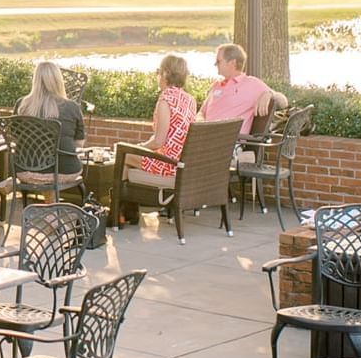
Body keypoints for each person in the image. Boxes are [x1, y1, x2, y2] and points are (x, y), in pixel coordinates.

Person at [112, 55, 199, 225]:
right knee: (128, 154)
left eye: (158, 71)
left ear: (166, 73)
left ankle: (120, 213)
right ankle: (128, 211)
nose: (158, 75)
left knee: (121, 154)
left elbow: (159, 141)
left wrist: (137, 147)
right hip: (181, 162)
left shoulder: (166, 100)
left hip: (168, 163)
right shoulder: (190, 100)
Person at [12, 60, 87, 187]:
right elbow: (79, 143)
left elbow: (14, 137)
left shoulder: (22, 105)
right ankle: (51, 204)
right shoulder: (71, 107)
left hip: (25, 171)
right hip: (64, 171)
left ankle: (47, 204)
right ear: (59, 80)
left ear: (35, 80)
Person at [200, 44, 288, 136]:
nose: (215, 64)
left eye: (218, 61)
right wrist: (200, 123)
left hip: (229, 143)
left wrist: (270, 94)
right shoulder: (216, 85)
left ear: (232, 63)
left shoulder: (251, 84)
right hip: (205, 138)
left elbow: (284, 102)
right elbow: (202, 112)